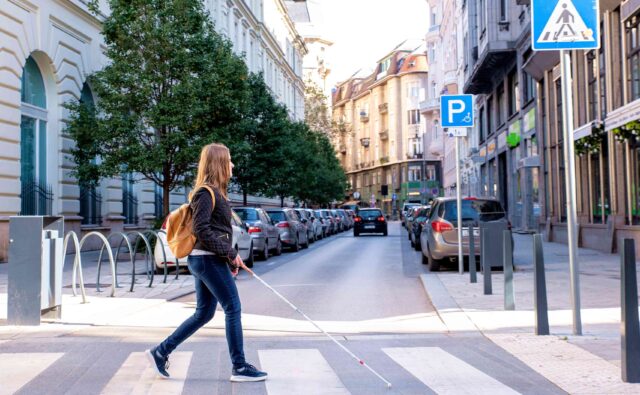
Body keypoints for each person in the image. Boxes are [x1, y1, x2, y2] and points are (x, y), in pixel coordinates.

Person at [147, 143, 267, 382]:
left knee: (204, 313)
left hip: (208, 260)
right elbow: (202, 229)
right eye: (229, 160)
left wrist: (229, 255)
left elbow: (216, 230)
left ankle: (161, 351)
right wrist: (229, 253)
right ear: (219, 163)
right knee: (233, 308)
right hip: (206, 260)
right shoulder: (205, 192)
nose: (232, 165)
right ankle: (240, 366)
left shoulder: (216, 192)